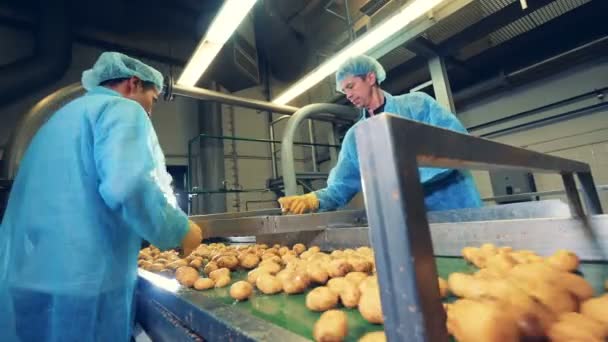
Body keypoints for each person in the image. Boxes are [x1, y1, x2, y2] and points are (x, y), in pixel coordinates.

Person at [0, 52, 203, 342]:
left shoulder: (59, 118)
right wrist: (178, 231)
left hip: (29, 276)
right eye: (154, 99)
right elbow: (129, 184)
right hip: (85, 280)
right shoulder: (122, 109)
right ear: (133, 83)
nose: (151, 110)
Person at [279, 55, 482, 214]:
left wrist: (401, 179)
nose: (348, 95)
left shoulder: (418, 105)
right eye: (344, 91)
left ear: (370, 77)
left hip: (456, 208)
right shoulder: (355, 137)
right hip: (410, 222)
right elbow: (342, 185)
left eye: (350, 86)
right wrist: (313, 199)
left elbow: (456, 146)